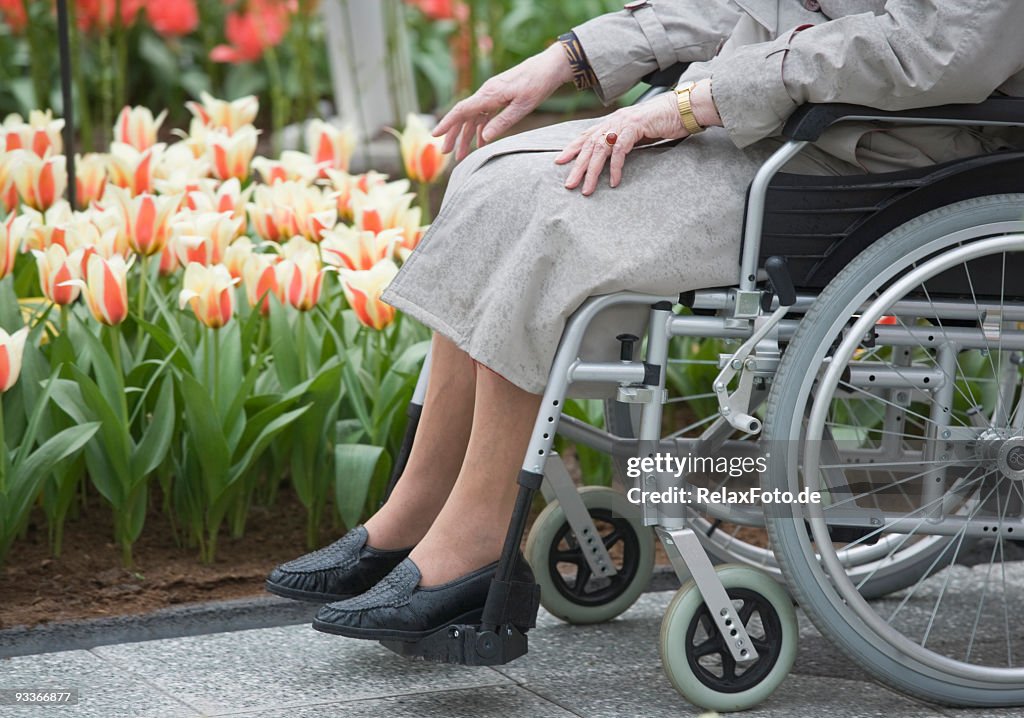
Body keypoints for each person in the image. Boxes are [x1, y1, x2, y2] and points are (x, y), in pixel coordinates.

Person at [268, 0, 1024, 639]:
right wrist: (575, 55)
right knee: (485, 181)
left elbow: (942, 44)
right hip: (777, 118)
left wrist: (701, 101)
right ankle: (418, 505)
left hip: (877, 153)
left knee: (559, 217)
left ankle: (472, 543)